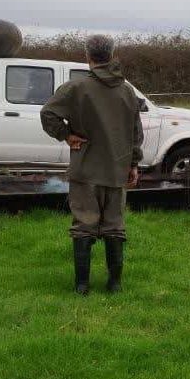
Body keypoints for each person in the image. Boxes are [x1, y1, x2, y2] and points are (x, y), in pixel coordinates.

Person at [41, 35, 143, 295]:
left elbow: (48, 113)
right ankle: (115, 284)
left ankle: (82, 286)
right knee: (115, 227)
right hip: (117, 171)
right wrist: (133, 164)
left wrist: (66, 136)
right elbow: (136, 132)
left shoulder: (75, 88)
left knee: (83, 227)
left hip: (85, 170)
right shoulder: (127, 90)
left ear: (88, 57)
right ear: (112, 54)